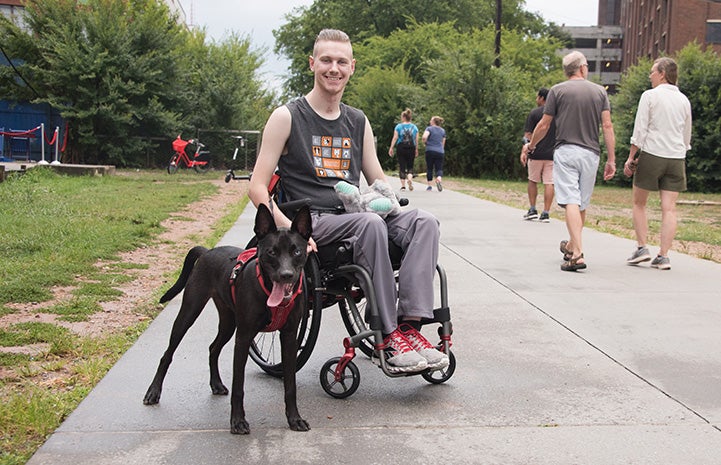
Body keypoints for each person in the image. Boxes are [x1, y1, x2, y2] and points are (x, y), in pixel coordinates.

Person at [248, 29, 448, 373]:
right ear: (312, 64)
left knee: (424, 222)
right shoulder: (287, 117)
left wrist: (386, 201)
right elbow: (257, 187)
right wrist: (287, 230)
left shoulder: (357, 120)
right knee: (368, 224)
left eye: (342, 62)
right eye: (326, 60)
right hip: (312, 222)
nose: (333, 68)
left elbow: (378, 179)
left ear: (352, 67)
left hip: (355, 211)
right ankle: (386, 334)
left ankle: (409, 327)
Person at [525, 51, 616, 271]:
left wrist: (532, 145)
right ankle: (573, 245)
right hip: (591, 153)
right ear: (583, 67)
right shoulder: (599, 92)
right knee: (581, 203)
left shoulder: (558, 90)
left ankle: (577, 254)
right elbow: (607, 126)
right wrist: (611, 159)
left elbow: (544, 125)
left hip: (566, 151)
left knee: (572, 202)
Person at [623, 57, 692, 271]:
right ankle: (663, 256)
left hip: (653, 153)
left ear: (662, 73)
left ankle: (642, 248)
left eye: (653, 71)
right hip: (676, 156)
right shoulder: (684, 100)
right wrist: (681, 150)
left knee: (639, 203)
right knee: (669, 208)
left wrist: (632, 157)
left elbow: (640, 129)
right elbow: (686, 133)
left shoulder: (650, 96)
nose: (650, 75)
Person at [520, 88, 556, 222]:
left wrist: (525, 149)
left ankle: (533, 208)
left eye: (537, 97)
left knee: (533, 180)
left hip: (535, 153)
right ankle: (546, 212)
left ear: (541, 98)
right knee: (549, 182)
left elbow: (527, 136)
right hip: (552, 154)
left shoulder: (534, 113)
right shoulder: (557, 114)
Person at [388, 108, 419, 191]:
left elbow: (395, 138)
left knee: (402, 166)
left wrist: (391, 147)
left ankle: (403, 186)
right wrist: (416, 149)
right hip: (411, 147)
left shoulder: (398, 126)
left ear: (404, 117)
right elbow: (416, 140)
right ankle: (409, 178)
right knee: (410, 166)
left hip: (401, 147)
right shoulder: (415, 127)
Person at [422, 116, 446, 191]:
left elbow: (424, 137)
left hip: (430, 150)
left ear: (433, 122)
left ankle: (429, 186)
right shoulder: (443, 131)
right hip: (440, 151)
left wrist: (425, 143)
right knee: (439, 168)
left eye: (431, 120)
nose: (430, 121)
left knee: (430, 168)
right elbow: (443, 143)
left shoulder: (429, 128)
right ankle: (439, 178)